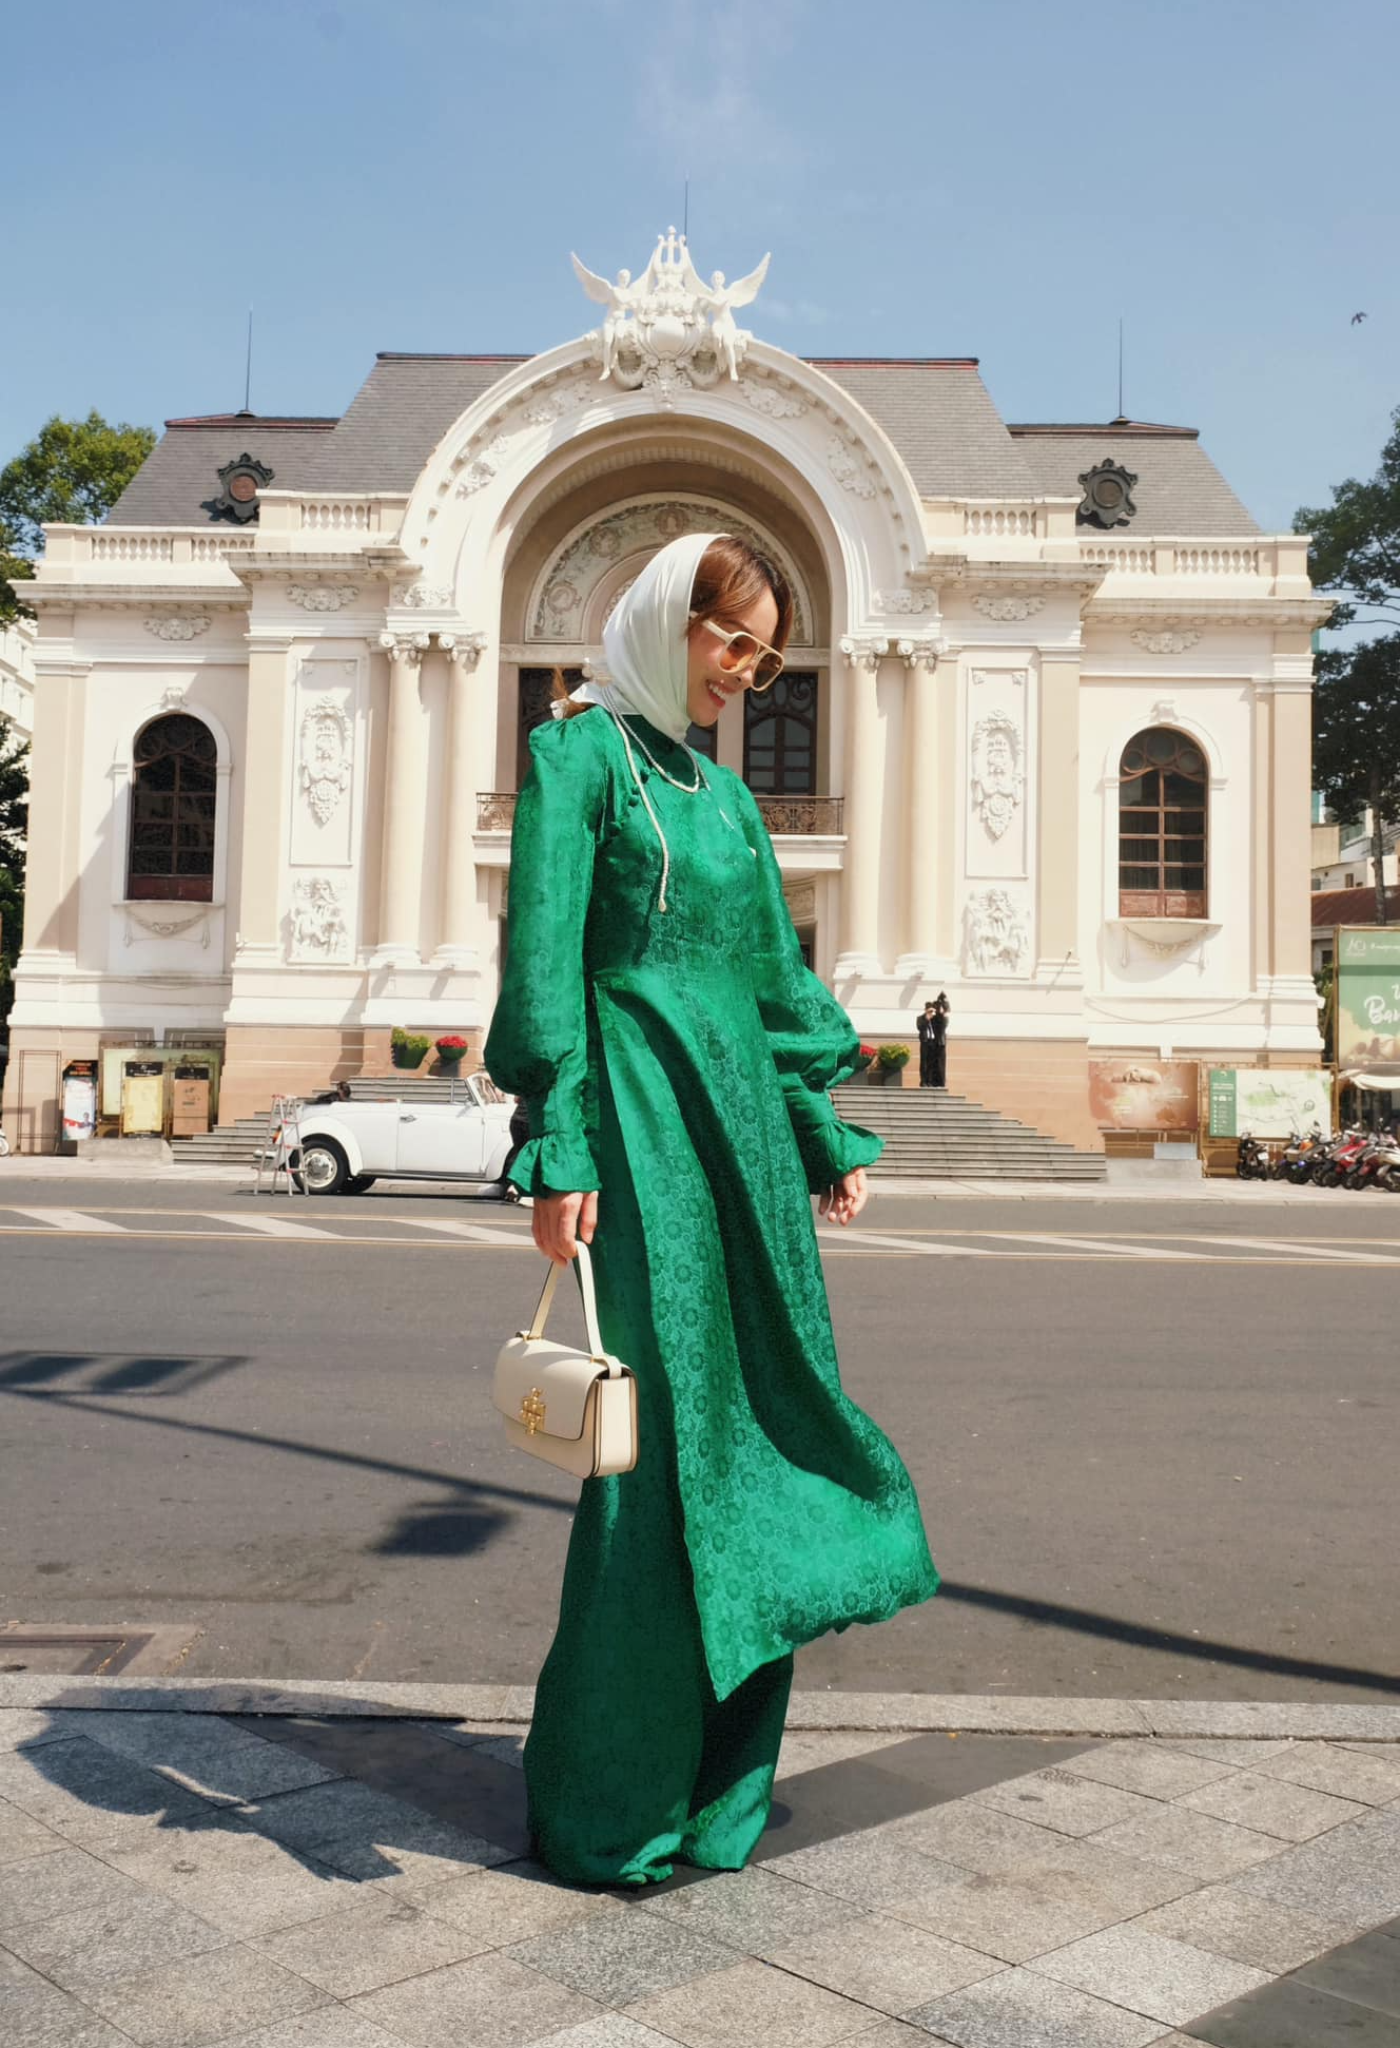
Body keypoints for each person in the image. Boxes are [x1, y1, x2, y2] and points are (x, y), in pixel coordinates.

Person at [484, 532, 938, 1888]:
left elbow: (769, 983)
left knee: (754, 1439)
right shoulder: (575, 761)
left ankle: (719, 1798)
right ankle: (609, 1806)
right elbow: (545, 961)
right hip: (637, 1129)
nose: (747, 671)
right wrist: (556, 1149)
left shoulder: (729, 802)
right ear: (664, 620)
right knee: (657, 1467)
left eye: (764, 653)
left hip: (739, 1139)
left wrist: (817, 1130)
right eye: (729, 640)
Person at [916, 994, 950, 1088]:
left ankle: (930, 1081)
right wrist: (927, 1017)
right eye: (929, 1010)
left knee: (932, 1064)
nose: (931, 1012)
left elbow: (943, 1025)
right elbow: (920, 1027)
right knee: (924, 1063)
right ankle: (923, 1081)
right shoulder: (920, 1018)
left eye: (932, 1010)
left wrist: (940, 1012)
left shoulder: (936, 1019)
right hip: (925, 1042)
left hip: (933, 1043)